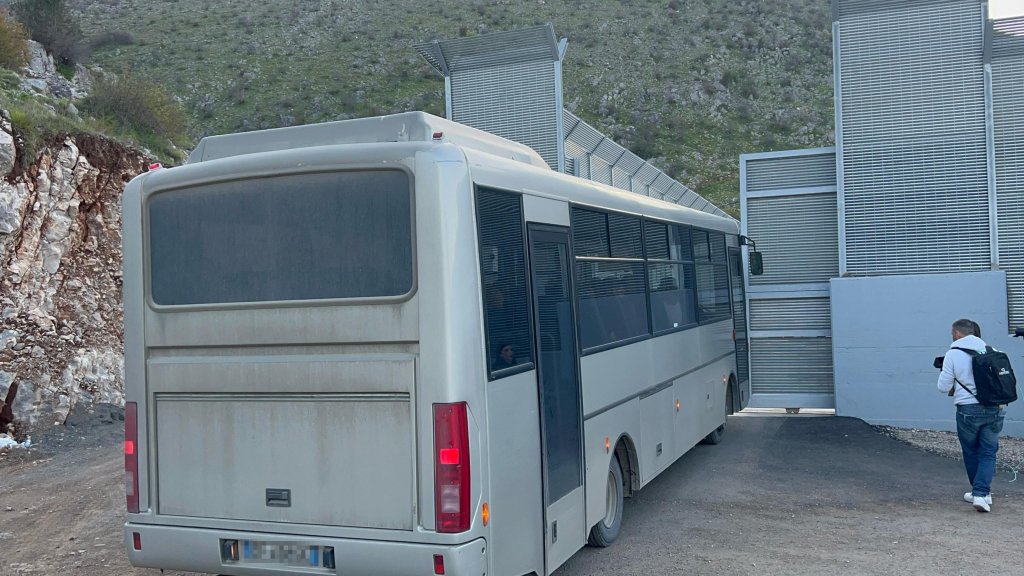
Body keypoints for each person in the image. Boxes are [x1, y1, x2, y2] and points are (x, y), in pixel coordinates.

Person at [936, 318, 1006, 513]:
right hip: (993, 408)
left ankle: (980, 493)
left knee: (971, 451)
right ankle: (983, 493)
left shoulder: (953, 354)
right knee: (988, 451)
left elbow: (942, 387)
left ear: (958, 333)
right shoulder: (993, 350)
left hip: (968, 410)